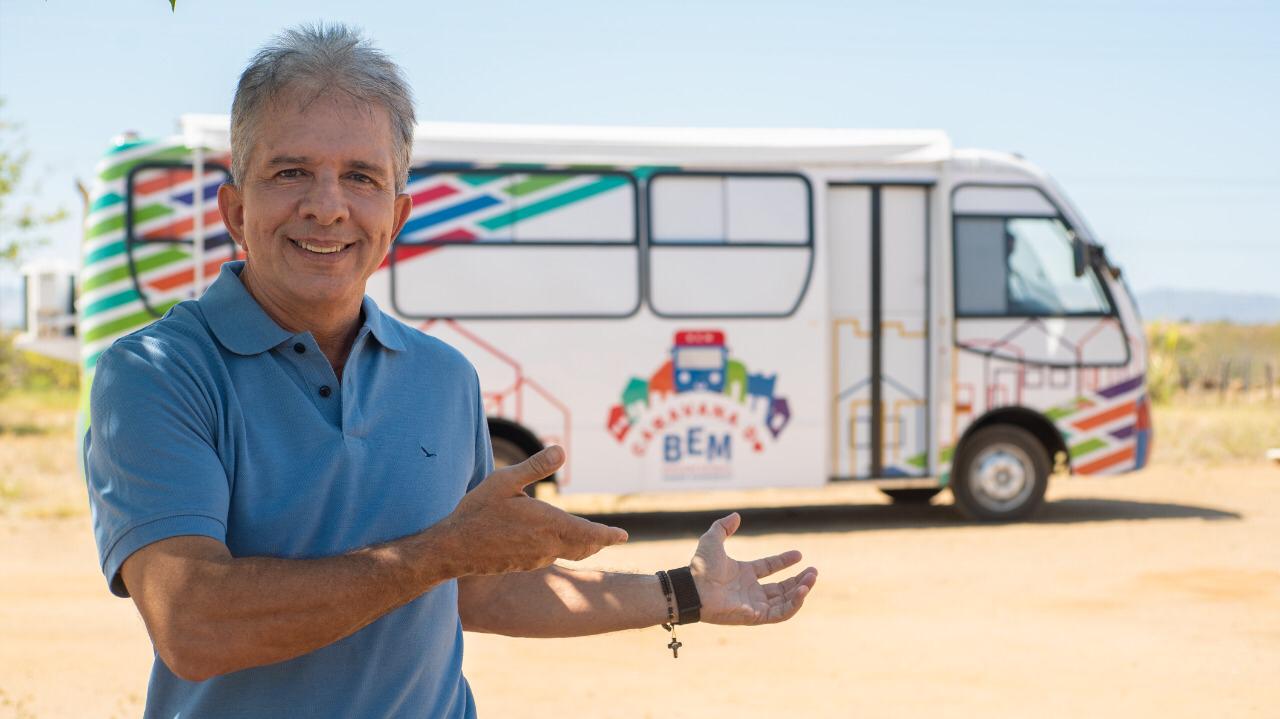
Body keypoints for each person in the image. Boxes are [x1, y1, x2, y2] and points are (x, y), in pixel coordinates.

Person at [84, 23, 818, 718]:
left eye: (361, 177)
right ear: (236, 210)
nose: (328, 206)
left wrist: (684, 591)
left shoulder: (443, 376)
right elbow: (195, 622)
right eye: (291, 171)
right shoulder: (156, 374)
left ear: (396, 219)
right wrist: (434, 553)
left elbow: (477, 592)